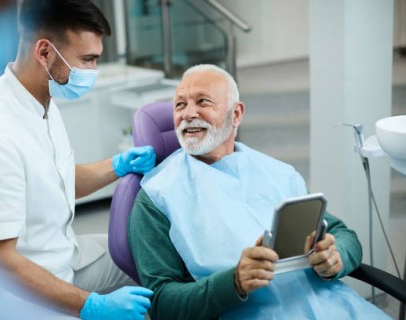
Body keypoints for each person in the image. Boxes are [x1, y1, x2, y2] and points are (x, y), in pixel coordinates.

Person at [0, 0, 155, 319]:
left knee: (152, 253)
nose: (92, 72)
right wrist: (90, 306)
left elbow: (57, 181)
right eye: (87, 60)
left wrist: (119, 165)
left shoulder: (39, 102)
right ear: (44, 53)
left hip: (63, 260)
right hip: (18, 300)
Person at [128, 64, 390, 319]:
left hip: (333, 306)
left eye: (203, 102)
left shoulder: (278, 173)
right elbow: (161, 304)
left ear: (236, 114)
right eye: (180, 104)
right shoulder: (156, 198)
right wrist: (234, 283)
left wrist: (336, 257)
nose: (187, 114)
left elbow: (344, 235)